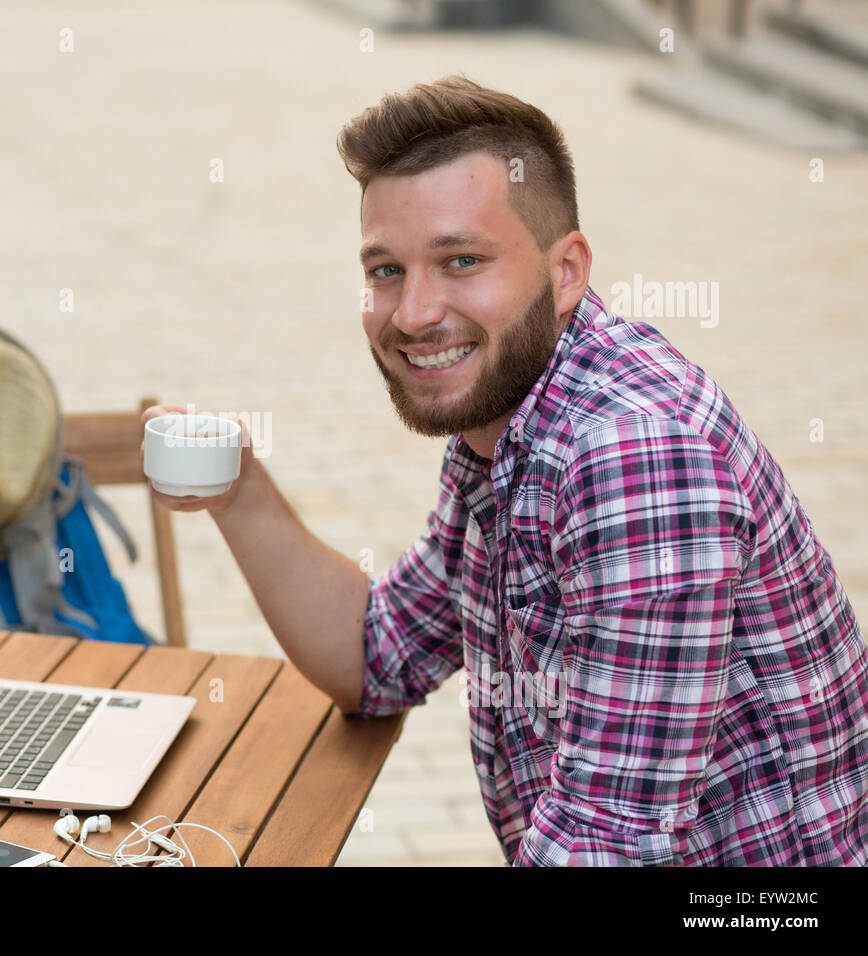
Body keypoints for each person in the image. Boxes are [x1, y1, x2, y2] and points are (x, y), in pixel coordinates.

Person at [141, 76, 868, 866]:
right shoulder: (507, 424)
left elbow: (606, 847)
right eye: (387, 270)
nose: (414, 312)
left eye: (461, 260)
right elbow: (376, 656)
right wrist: (240, 491)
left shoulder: (634, 456)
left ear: (566, 273)